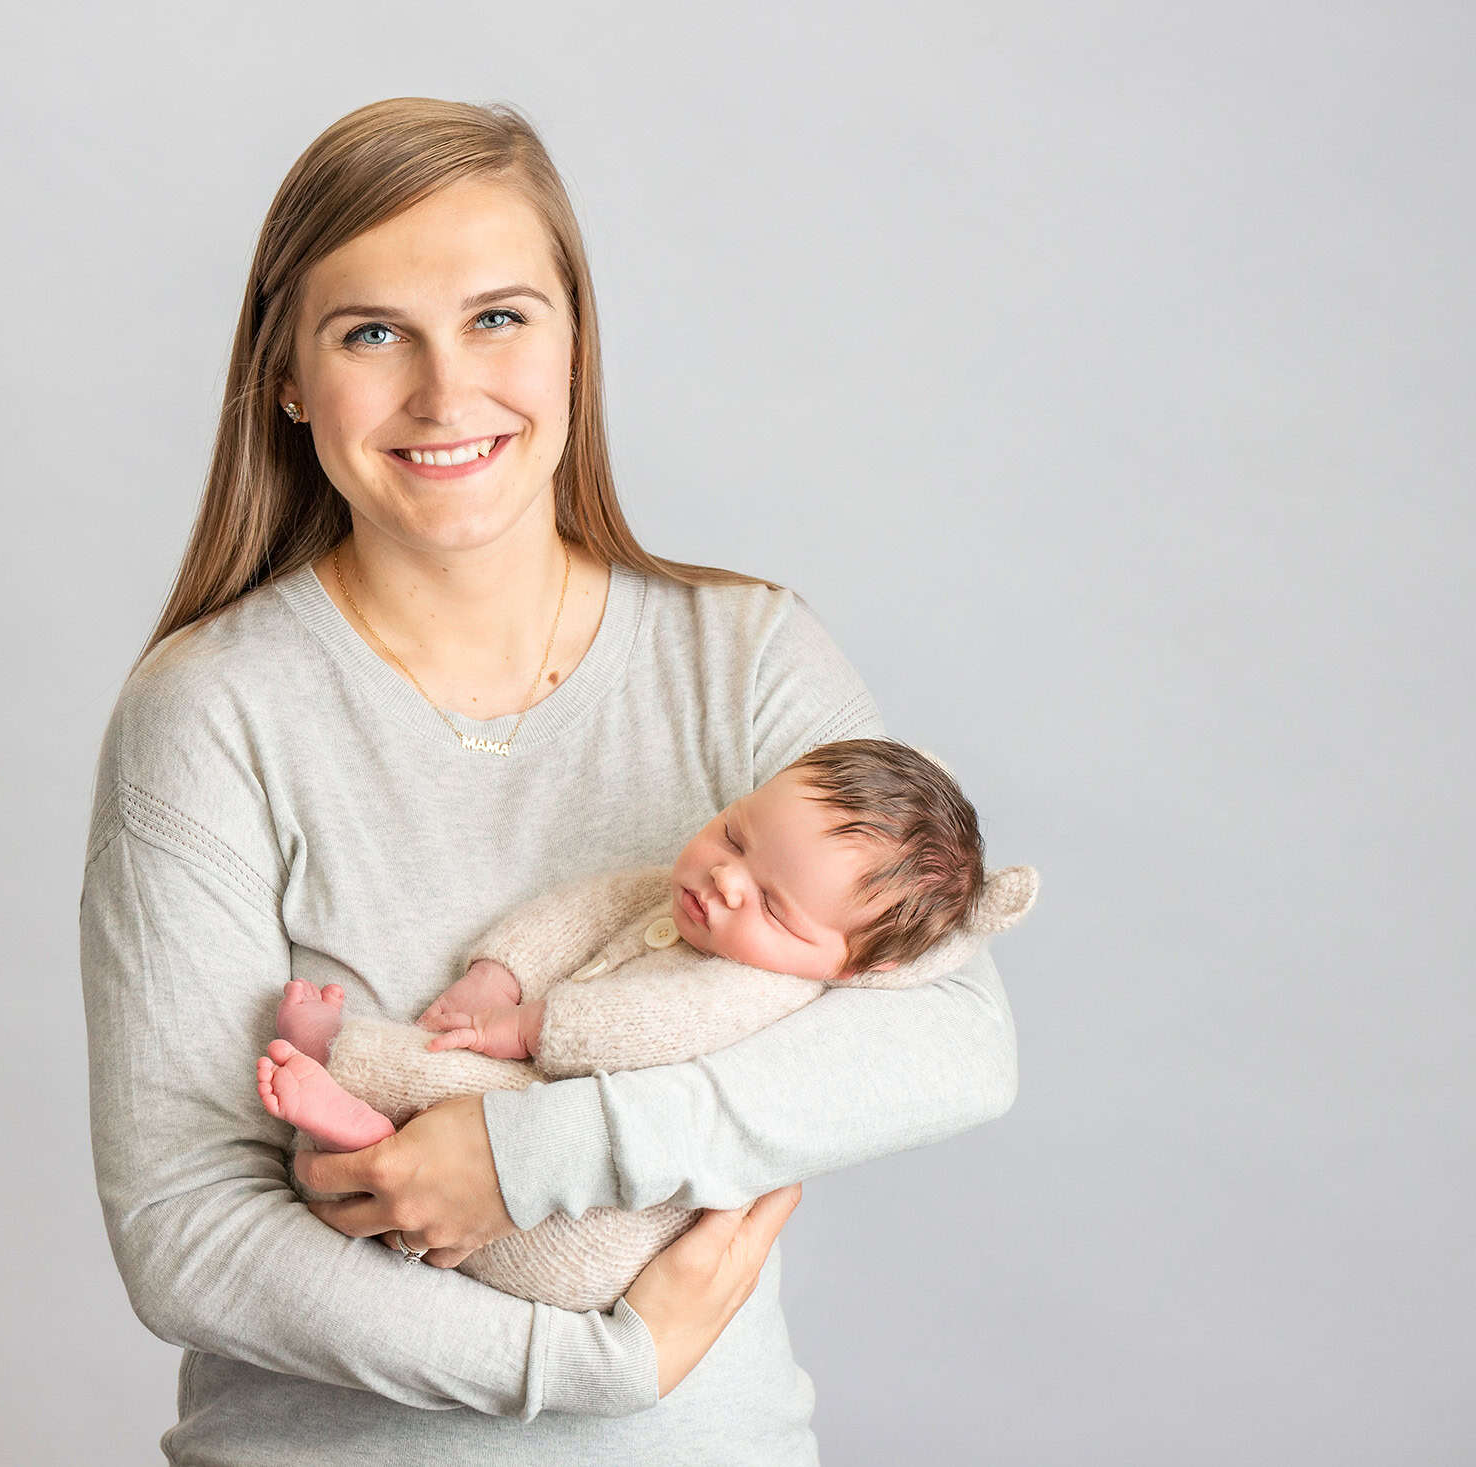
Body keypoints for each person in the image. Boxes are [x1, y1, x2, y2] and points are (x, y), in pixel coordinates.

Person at [79, 97, 1018, 1465]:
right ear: (288, 374)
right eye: (373, 331)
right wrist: (587, 1361)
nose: (446, 393)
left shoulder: (746, 654)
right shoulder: (211, 711)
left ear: (577, 342)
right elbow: (189, 1231)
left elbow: (957, 1040)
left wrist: (532, 1157)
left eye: (501, 317)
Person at [253, 738, 1038, 1313]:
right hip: (527, 1157)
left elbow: (653, 1025)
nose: (725, 880)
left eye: (772, 906)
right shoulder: (679, 893)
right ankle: (360, 1135)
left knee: (466, 1085)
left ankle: (346, 1063)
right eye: (734, 833)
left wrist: (527, 1023)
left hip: (586, 1233)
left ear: (849, 966)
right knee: (470, 1111)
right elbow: (578, 913)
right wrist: (497, 972)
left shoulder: (761, 988)